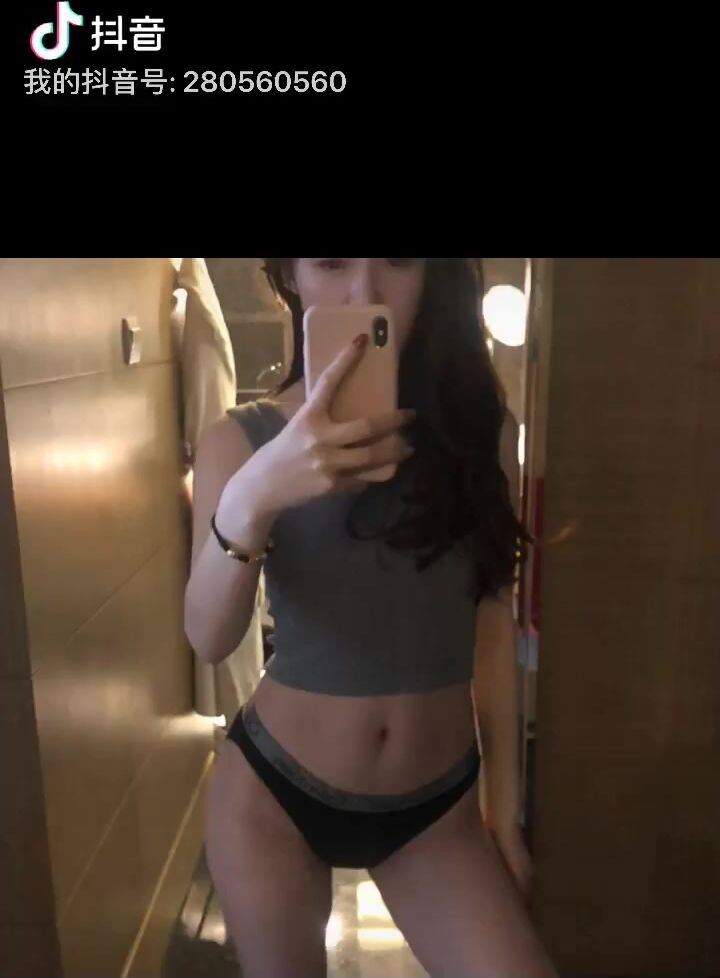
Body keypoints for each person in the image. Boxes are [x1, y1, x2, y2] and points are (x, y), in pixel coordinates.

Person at [184, 258, 558, 977]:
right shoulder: (241, 441)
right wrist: (254, 498)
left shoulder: (482, 438)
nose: (364, 291)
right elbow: (208, 637)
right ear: (290, 275)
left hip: (438, 811)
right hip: (273, 801)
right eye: (332, 262)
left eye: (398, 259)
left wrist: (505, 817)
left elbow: (491, 626)